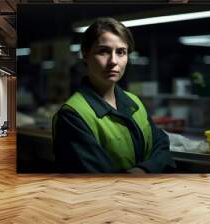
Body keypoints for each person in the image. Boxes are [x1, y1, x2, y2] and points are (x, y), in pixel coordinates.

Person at [52, 17, 176, 173]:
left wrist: (142, 171)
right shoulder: (72, 115)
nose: (113, 61)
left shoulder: (133, 101)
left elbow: (161, 144)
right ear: (85, 54)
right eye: (103, 51)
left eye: (121, 52)